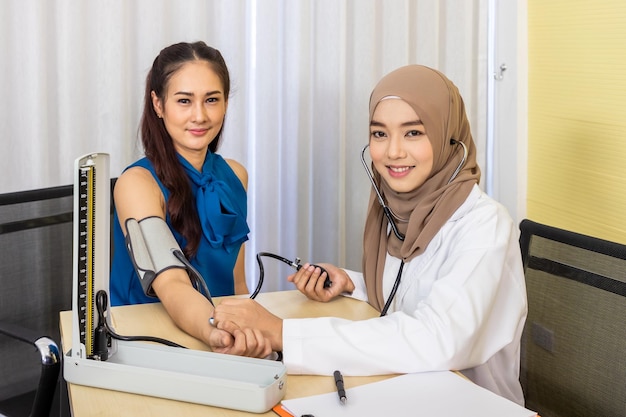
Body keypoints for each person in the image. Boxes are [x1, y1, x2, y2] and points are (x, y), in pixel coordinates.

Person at [212, 65, 528, 405]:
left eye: (413, 133)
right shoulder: (398, 210)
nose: (392, 151)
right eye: (380, 134)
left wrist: (283, 333)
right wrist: (354, 284)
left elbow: (435, 337)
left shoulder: (484, 225)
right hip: (404, 389)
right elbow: (415, 294)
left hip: (471, 403)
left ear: (449, 137)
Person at [110, 41, 271, 357]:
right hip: (149, 339)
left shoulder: (236, 175)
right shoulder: (137, 184)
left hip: (222, 335)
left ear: (225, 104)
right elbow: (173, 287)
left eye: (212, 100)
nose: (200, 115)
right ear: (159, 105)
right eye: (184, 101)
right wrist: (220, 333)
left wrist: (252, 335)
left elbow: (235, 283)